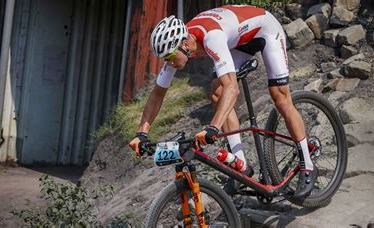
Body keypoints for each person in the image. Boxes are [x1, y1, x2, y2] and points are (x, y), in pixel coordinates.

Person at [129, 5, 317, 199]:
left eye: (169, 57)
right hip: (237, 40)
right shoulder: (178, 46)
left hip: (265, 30)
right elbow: (158, 93)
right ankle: (241, 167)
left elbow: (233, 88)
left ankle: (307, 164)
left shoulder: (212, 37)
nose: (168, 63)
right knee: (217, 94)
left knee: (280, 97)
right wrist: (141, 133)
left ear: (184, 44)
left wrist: (214, 127)